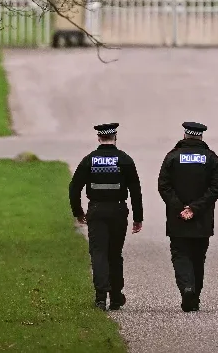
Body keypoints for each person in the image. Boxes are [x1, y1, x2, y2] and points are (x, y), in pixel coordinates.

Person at [69, 122, 144, 311]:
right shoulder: (125, 160)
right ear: (115, 137)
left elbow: (74, 188)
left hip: (96, 211)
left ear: (99, 138)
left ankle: (101, 297)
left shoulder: (90, 160)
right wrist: (138, 217)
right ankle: (116, 297)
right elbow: (135, 190)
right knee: (114, 254)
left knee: (99, 253)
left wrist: (78, 212)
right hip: (119, 212)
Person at [158, 121, 218, 312]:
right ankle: (194, 297)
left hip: (178, 218)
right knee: (198, 257)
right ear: (201, 136)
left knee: (180, 254)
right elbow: (216, 188)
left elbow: (164, 186)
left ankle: (187, 287)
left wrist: (180, 208)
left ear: (185, 135)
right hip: (201, 219)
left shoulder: (172, 157)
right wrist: (195, 208)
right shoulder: (211, 158)